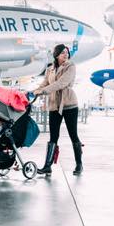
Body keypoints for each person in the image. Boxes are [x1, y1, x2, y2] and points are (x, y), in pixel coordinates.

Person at [32, 43, 83, 175]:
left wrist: (42, 91)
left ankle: (79, 164)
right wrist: (35, 91)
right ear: (56, 55)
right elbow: (45, 83)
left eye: (67, 52)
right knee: (53, 136)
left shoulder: (70, 66)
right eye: (62, 53)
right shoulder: (50, 69)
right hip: (54, 105)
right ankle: (47, 166)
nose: (66, 54)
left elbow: (61, 83)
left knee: (73, 135)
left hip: (69, 104)